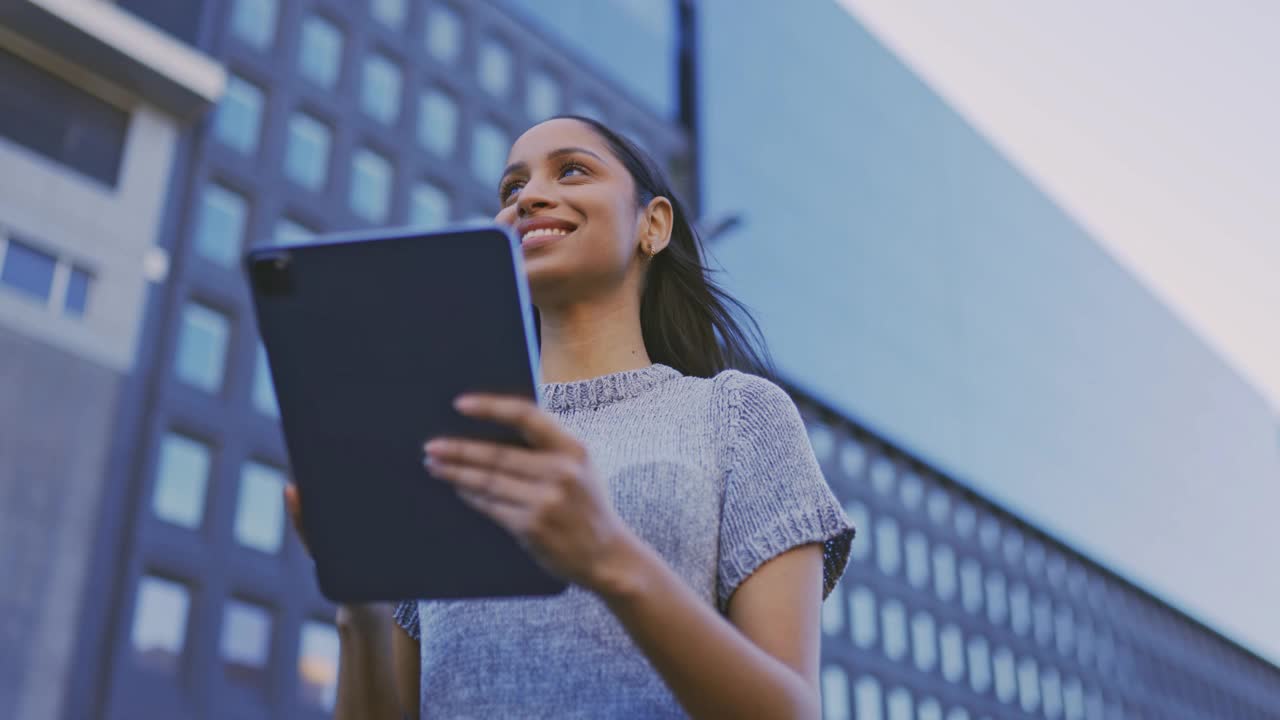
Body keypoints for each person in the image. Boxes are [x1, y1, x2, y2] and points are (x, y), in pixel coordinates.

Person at [283, 115, 856, 719]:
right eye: (511, 189)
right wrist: (360, 599)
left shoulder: (737, 415)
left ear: (653, 225)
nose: (528, 197)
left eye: (573, 170)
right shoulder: (443, 448)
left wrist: (607, 555)